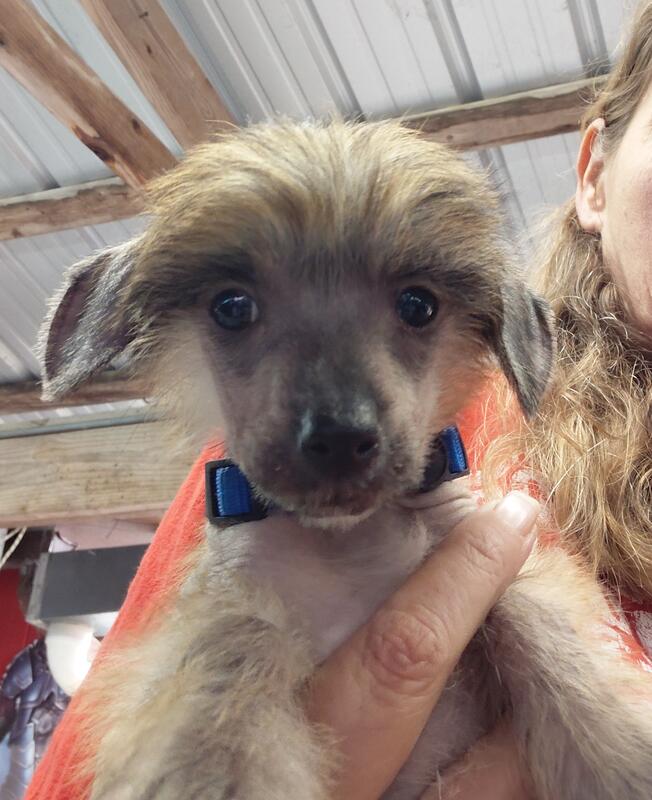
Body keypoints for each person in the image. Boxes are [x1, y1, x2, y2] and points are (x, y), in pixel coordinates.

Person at [25, 2, 652, 798]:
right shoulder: (247, 501)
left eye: (416, 309)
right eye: (234, 310)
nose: (341, 415)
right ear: (594, 171)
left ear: (494, 330)